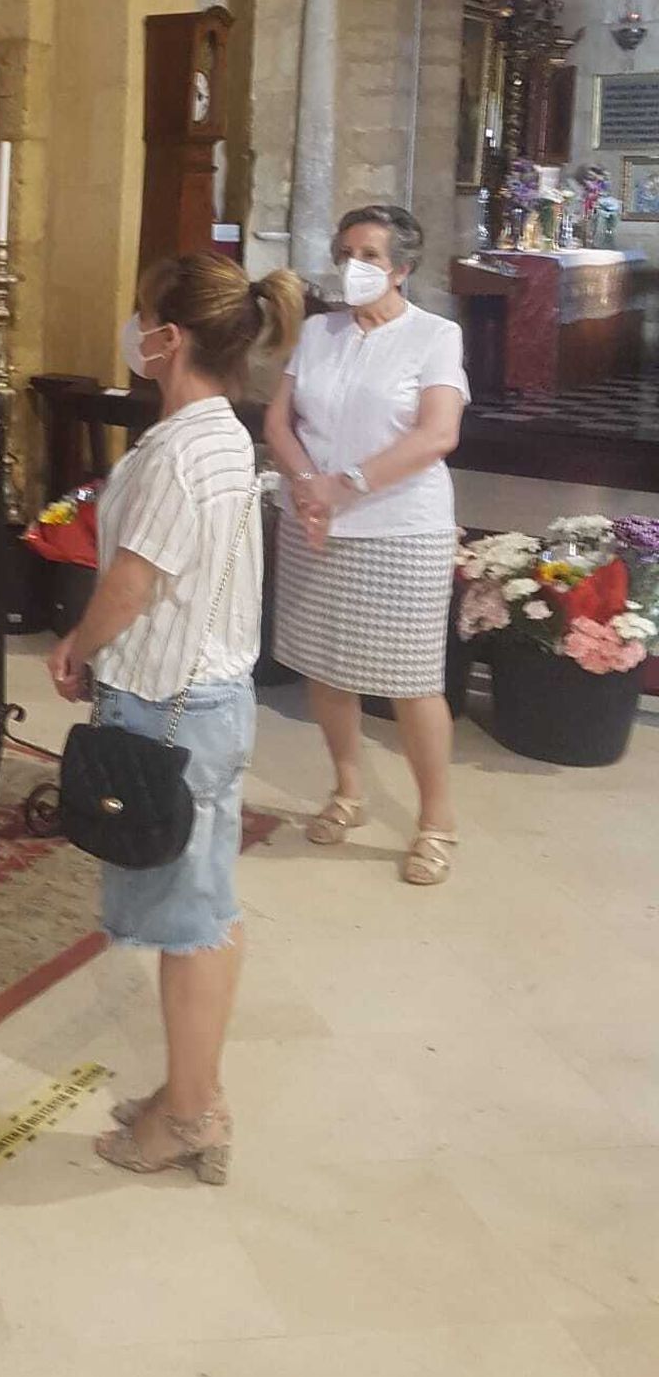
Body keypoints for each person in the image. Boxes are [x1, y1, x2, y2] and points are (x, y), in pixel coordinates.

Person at [49, 254, 303, 1183]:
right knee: (207, 908)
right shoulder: (219, 434)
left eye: (141, 315)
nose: (133, 329)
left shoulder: (183, 452)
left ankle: (190, 1115)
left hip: (172, 709)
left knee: (190, 923)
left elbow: (132, 581)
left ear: (173, 338)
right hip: (208, 699)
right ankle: (194, 1089)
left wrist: (78, 645)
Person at [264, 203, 468, 887]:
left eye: (371, 255)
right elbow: (279, 418)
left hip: (401, 525)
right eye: (346, 251)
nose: (354, 265)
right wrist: (304, 484)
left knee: (412, 681)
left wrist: (343, 485)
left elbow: (438, 434)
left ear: (403, 268)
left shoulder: (435, 336)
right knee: (327, 667)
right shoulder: (318, 331)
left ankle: (435, 821)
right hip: (315, 520)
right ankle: (348, 788)